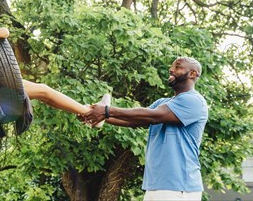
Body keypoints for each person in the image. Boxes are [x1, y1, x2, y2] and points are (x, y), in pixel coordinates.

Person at [80, 57, 209, 201]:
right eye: (172, 66)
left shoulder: (194, 101)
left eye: (177, 67)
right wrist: (97, 116)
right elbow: (135, 120)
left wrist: (107, 111)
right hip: (156, 185)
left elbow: (154, 116)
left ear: (192, 74)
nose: (171, 70)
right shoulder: (163, 103)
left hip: (179, 187)